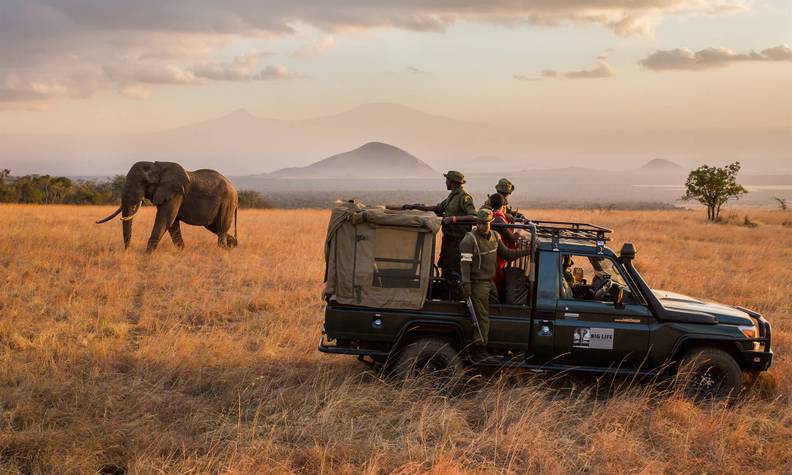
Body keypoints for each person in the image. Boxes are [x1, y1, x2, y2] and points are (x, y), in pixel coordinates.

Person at [460, 209, 531, 357]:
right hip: (477, 283)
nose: (480, 226)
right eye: (478, 223)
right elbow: (465, 265)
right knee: (482, 317)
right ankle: (480, 348)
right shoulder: (469, 240)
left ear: (490, 223)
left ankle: (494, 346)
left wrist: (527, 251)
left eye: (484, 224)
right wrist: (466, 284)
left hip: (490, 282)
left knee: (496, 311)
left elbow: (507, 255)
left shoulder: (495, 236)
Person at [403, 171, 476, 297]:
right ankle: (447, 296)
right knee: (446, 268)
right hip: (448, 240)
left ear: (452, 182)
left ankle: (454, 300)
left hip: (458, 241)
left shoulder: (464, 197)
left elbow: (474, 216)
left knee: (454, 271)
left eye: (447, 180)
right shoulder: (452, 196)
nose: (445, 182)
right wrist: (416, 207)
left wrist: (454, 219)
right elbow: (438, 208)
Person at [488, 193, 519, 295]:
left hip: (492, 254)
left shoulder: (491, 216)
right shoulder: (499, 219)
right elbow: (512, 238)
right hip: (498, 256)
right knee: (497, 281)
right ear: (503, 205)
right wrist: (519, 233)